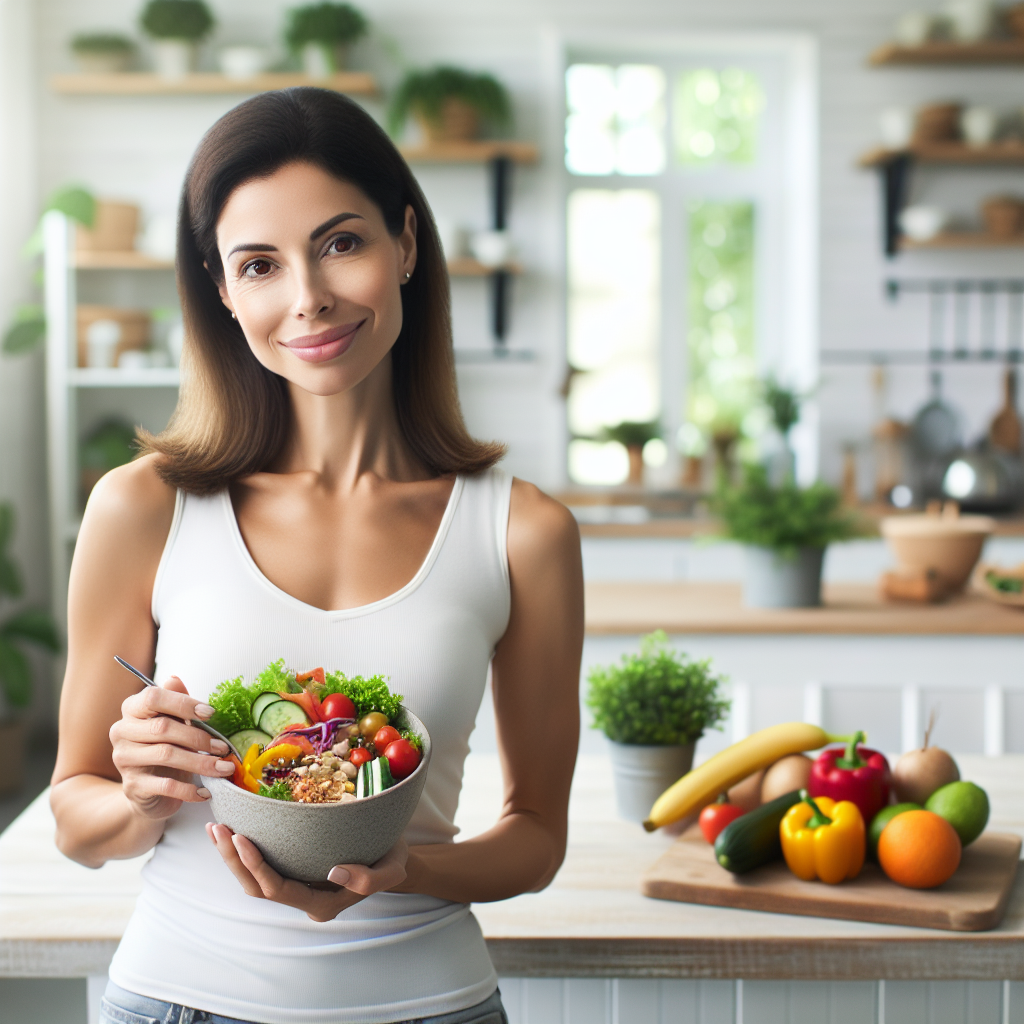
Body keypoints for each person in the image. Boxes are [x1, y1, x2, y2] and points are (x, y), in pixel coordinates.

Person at [49, 88, 583, 1024]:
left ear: (406, 244)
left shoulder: (523, 532)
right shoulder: (142, 507)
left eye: (342, 243)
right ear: (222, 291)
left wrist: (404, 869)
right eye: (260, 265)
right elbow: (74, 815)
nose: (309, 298)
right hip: (178, 997)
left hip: (429, 1002)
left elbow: (535, 840)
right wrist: (140, 795)